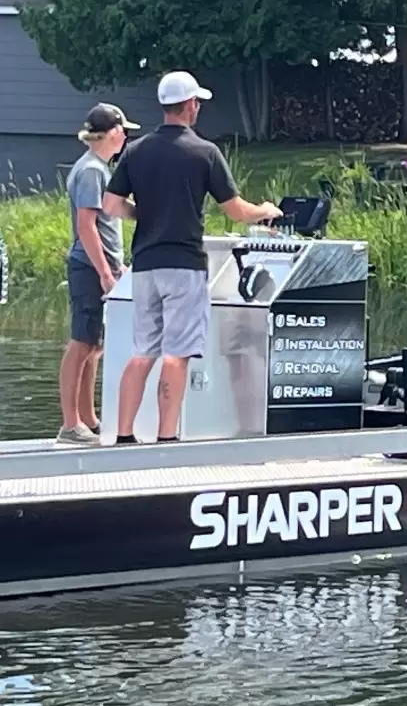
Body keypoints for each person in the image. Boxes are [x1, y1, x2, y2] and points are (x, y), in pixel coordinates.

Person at [103, 71, 280, 444]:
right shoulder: (205, 152)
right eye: (197, 102)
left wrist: (143, 215)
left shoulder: (136, 151)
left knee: (141, 352)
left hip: (146, 265)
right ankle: (167, 438)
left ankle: (122, 436)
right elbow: (234, 210)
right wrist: (265, 210)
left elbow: (111, 204)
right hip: (184, 265)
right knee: (176, 354)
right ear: (190, 105)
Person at [57, 103, 139, 445]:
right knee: (81, 342)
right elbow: (87, 226)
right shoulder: (92, 171)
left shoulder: (98, 169)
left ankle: (87, 418)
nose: (126, 138)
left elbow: (116, 210)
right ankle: (69, 424)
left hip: (100, 266)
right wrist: (105, 272)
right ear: (114, 133)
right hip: (89, 268)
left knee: (95, 344)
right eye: (124, 132)